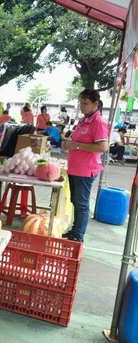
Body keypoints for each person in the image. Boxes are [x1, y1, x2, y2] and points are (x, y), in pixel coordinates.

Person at [61, 89, 109, 243]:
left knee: (82, 204)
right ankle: (75, 231)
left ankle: (78, 236)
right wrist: (69, 144)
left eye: (85, 103)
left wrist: (78, 146)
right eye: (81, 102)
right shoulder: (83, 120)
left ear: (95, 104)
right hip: (75, 168)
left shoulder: (98, 122)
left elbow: (103, 147)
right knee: (76, 201)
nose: (82, 106)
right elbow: (77, 142)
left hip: (86, 169)